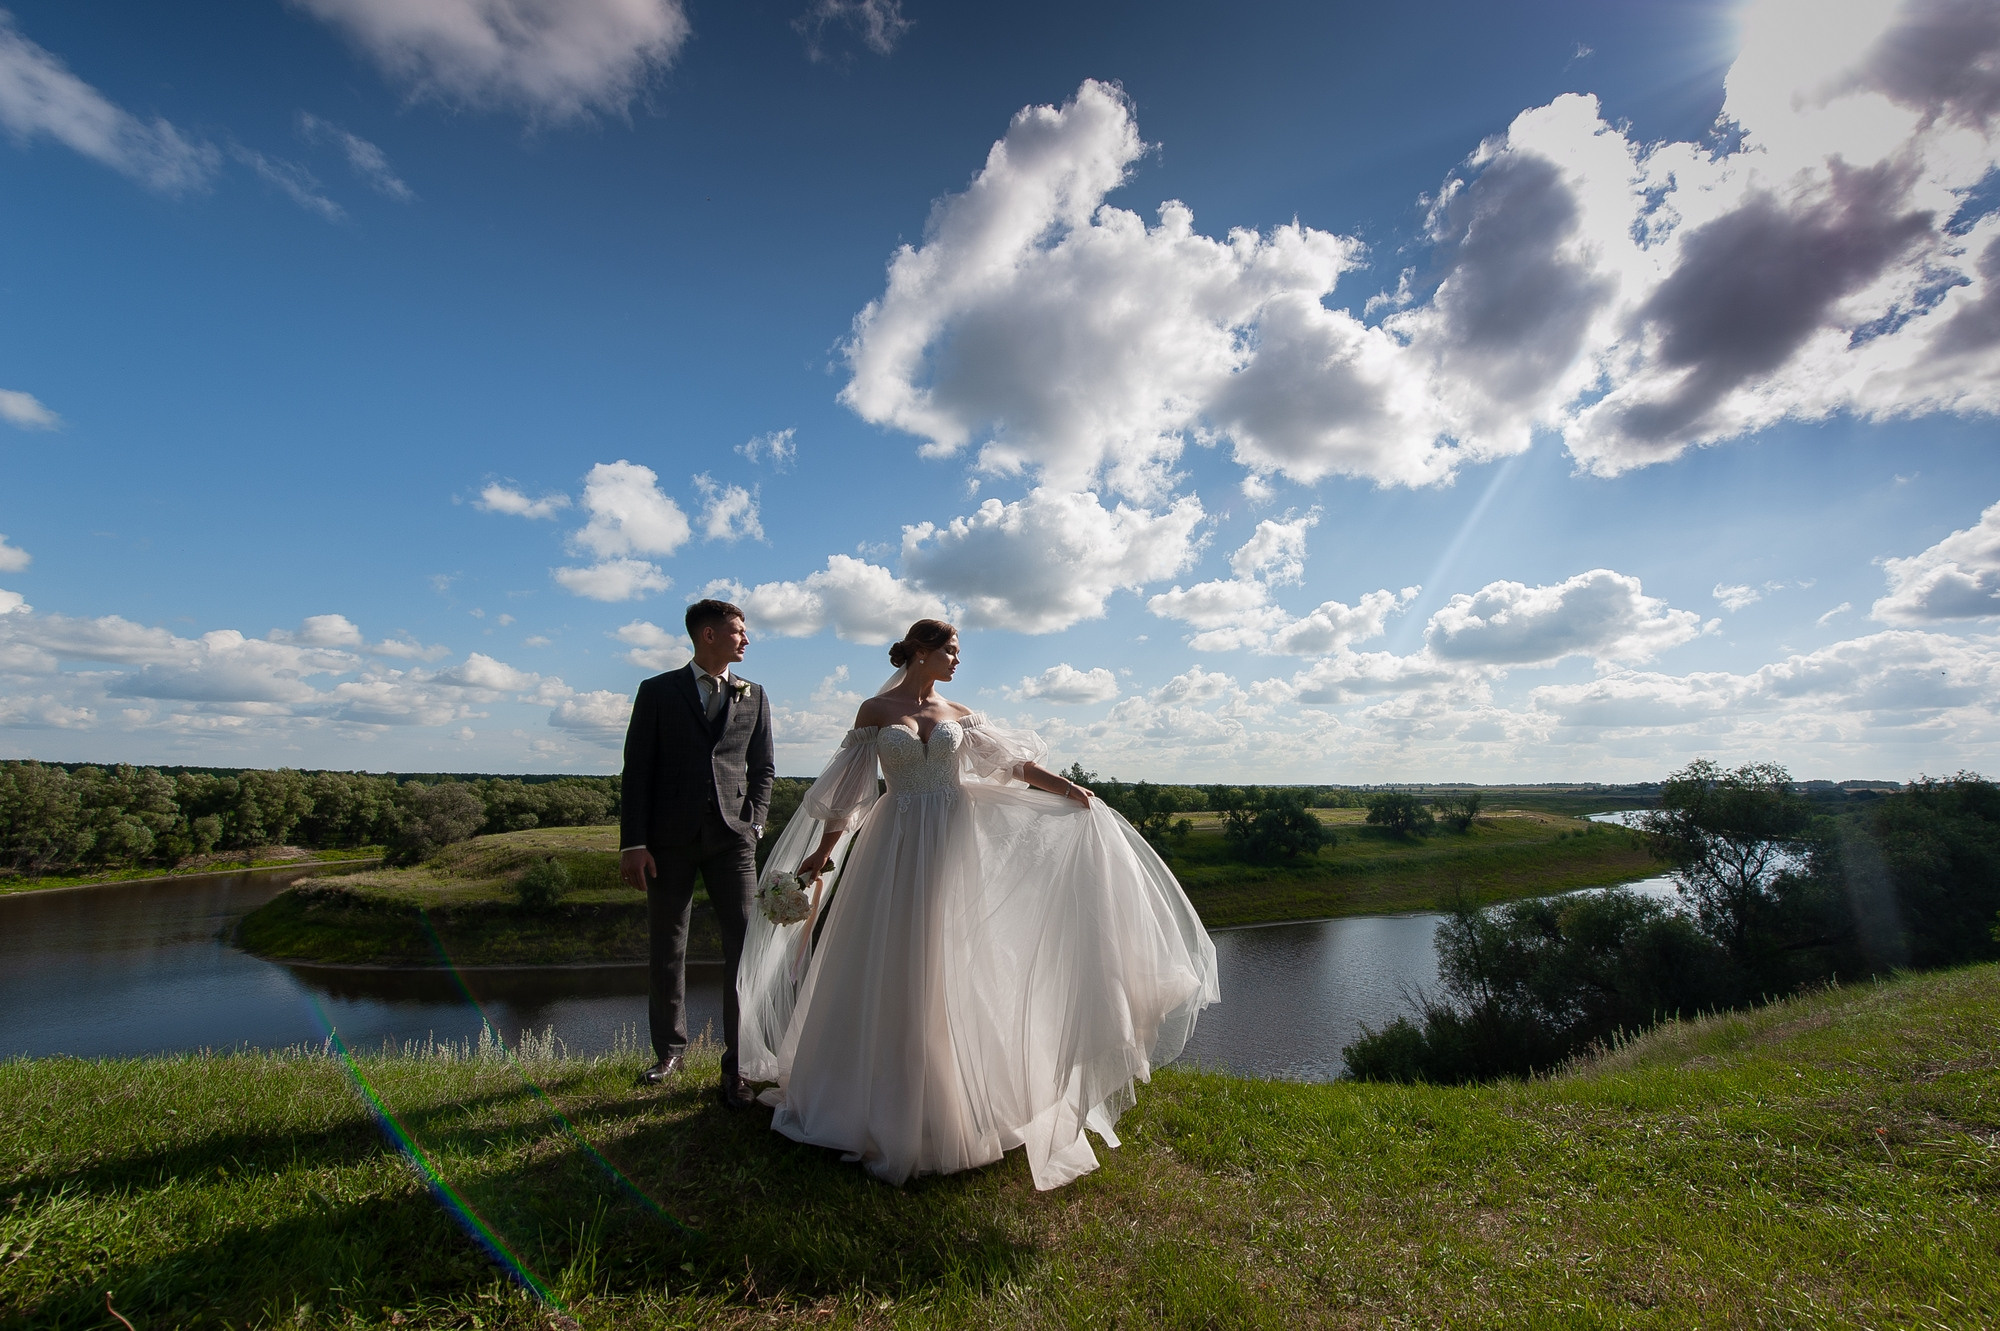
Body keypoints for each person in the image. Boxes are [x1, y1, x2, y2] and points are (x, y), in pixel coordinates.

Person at [737, 619, 1218, 1189]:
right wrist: (824, 850)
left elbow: (1010, 765)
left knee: (953, 959)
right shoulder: (874, 712)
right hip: (893, 846)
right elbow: (850, 793)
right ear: (920, 651)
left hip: (955, 845)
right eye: (951, 650)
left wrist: (1067, 789)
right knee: (892, 960)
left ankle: (961, 1099)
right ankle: (872, 1098)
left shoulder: (960, 713)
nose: (958, 660)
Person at [619, 599, 775, 1109]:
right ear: (707, 635)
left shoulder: (755, 695)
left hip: (733, 841)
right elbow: (637, 770)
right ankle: (669, 1052)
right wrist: (634, 842)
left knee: (744, 951)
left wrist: (754, 821)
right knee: (668, 947)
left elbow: (764, 767)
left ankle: (738, 1069)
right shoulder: (658, 691)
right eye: (737, 631)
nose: (745, 639)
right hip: (668, 841)